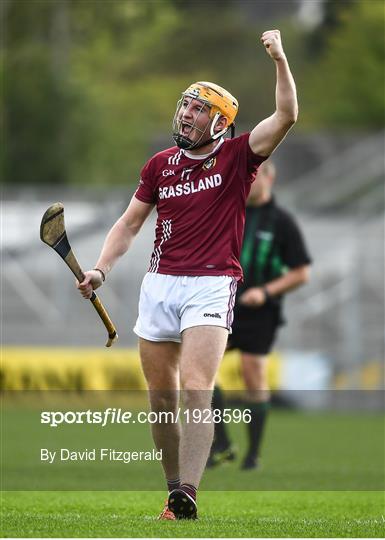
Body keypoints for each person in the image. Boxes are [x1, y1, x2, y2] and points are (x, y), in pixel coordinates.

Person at [77, 30, 298, 520]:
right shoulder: (160, 166)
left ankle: (191, 492)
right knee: (162, 401)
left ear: (220, 122)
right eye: (185, 107)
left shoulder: (239, 156)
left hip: (212, 283)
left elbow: (286, 116)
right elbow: (129, 223)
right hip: (160, 285)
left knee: (197, 386)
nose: (186, 115)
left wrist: (280, 59)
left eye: (198, 110)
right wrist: (100, 269)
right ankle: (173, 491)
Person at [207, 159, 312, 471]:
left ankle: (253, 454)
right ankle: (221, 443)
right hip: (221, 305)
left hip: (260, 313)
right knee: (200, 373)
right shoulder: (228, 212)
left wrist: (265, 292)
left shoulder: (282, 221)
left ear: (270, 177)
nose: (249, 181)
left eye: (254, 176)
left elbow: (301, 273)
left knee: (254, 374)